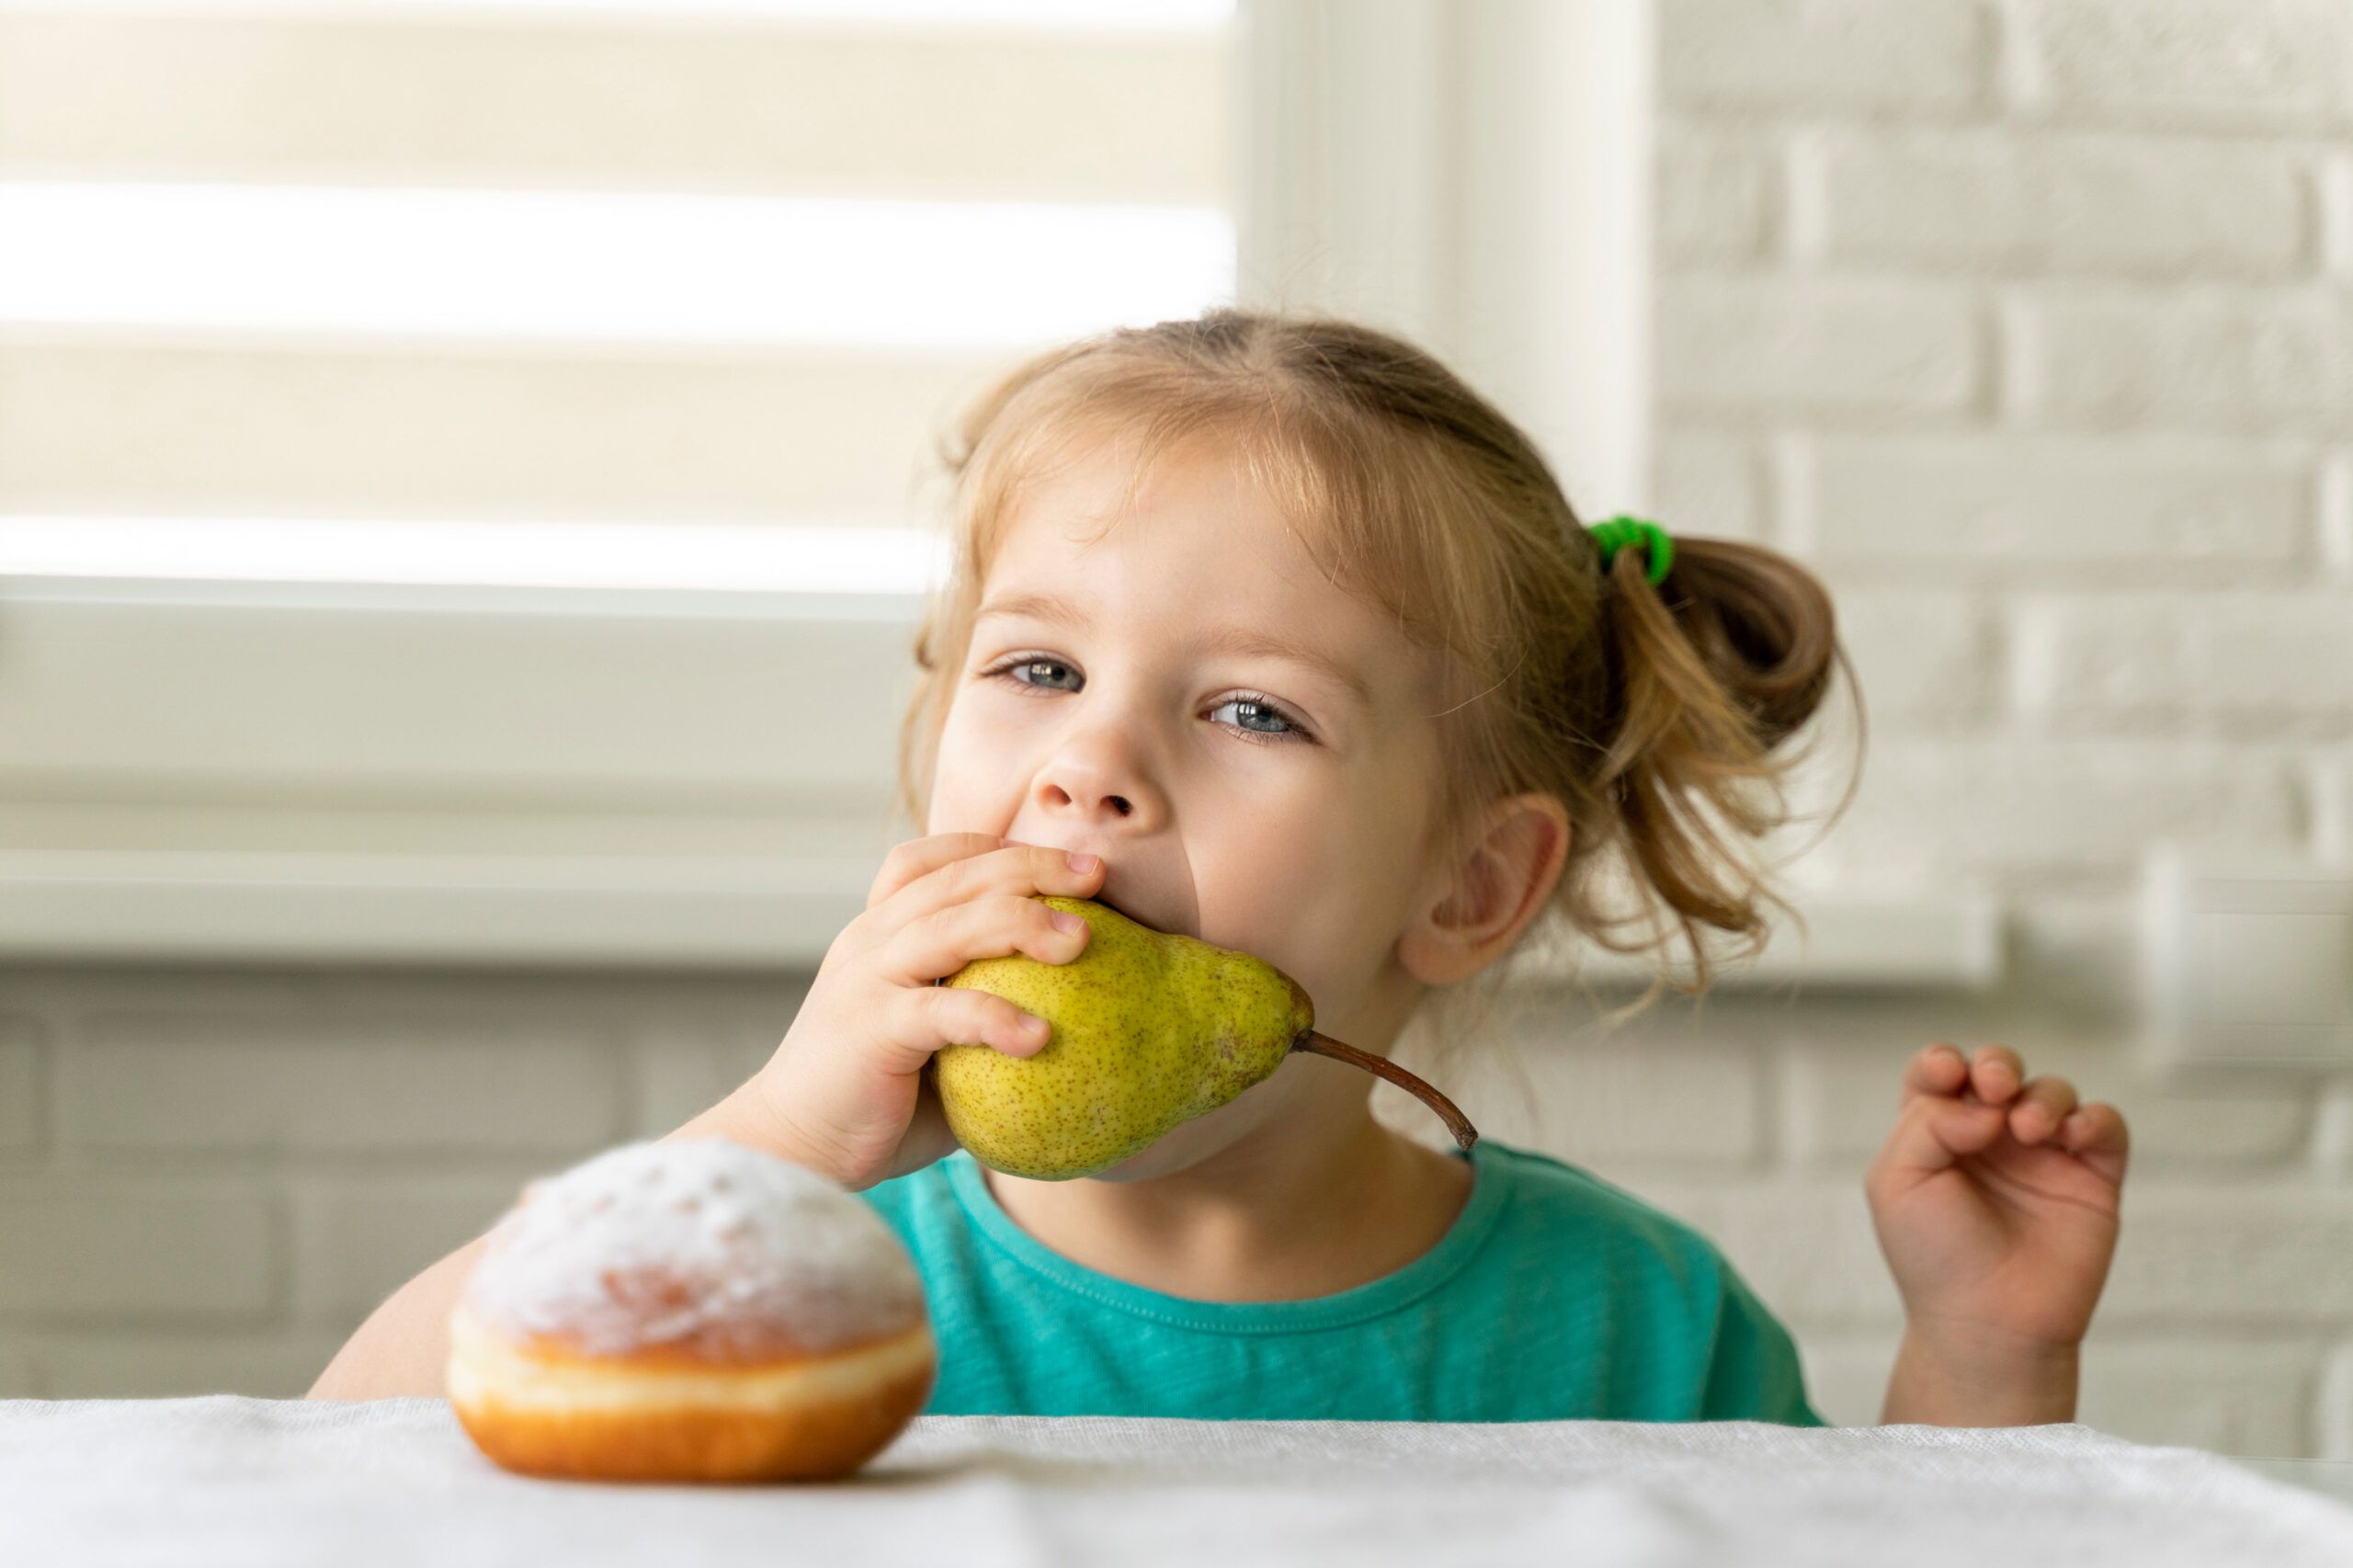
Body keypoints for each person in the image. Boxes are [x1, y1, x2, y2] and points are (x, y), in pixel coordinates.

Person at [311, 310, 2129, 1425]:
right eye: (1035, 670)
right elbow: (338, 1463)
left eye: (1251, 711)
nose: (1090, 766)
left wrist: (1981, 1356)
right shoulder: (809, 1262)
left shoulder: (1630, 1320)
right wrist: (779, 1138)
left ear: (1469, 884)